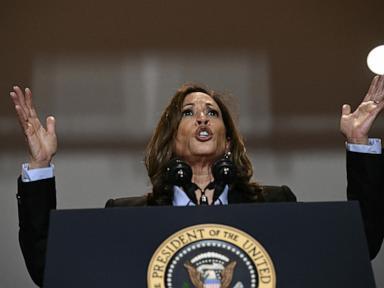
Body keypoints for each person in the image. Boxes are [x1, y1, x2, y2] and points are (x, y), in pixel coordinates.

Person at [11, 77, 384, 287]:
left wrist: (359, 145)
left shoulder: (274, 204)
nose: (203, 119)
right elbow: (50, 268)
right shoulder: (126, 216)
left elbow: (357, 246)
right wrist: (40, 165)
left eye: (212, 113)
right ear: (170, 137)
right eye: (189, 113)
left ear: (227, 136)